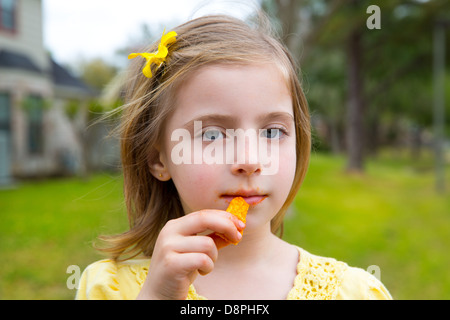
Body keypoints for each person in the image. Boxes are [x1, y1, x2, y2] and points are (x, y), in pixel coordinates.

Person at [75, 14, 392, 300]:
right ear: (159, 159)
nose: (250, 160)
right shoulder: (110, 288)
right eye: (212, 135)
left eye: (271, 132)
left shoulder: (354, 292)